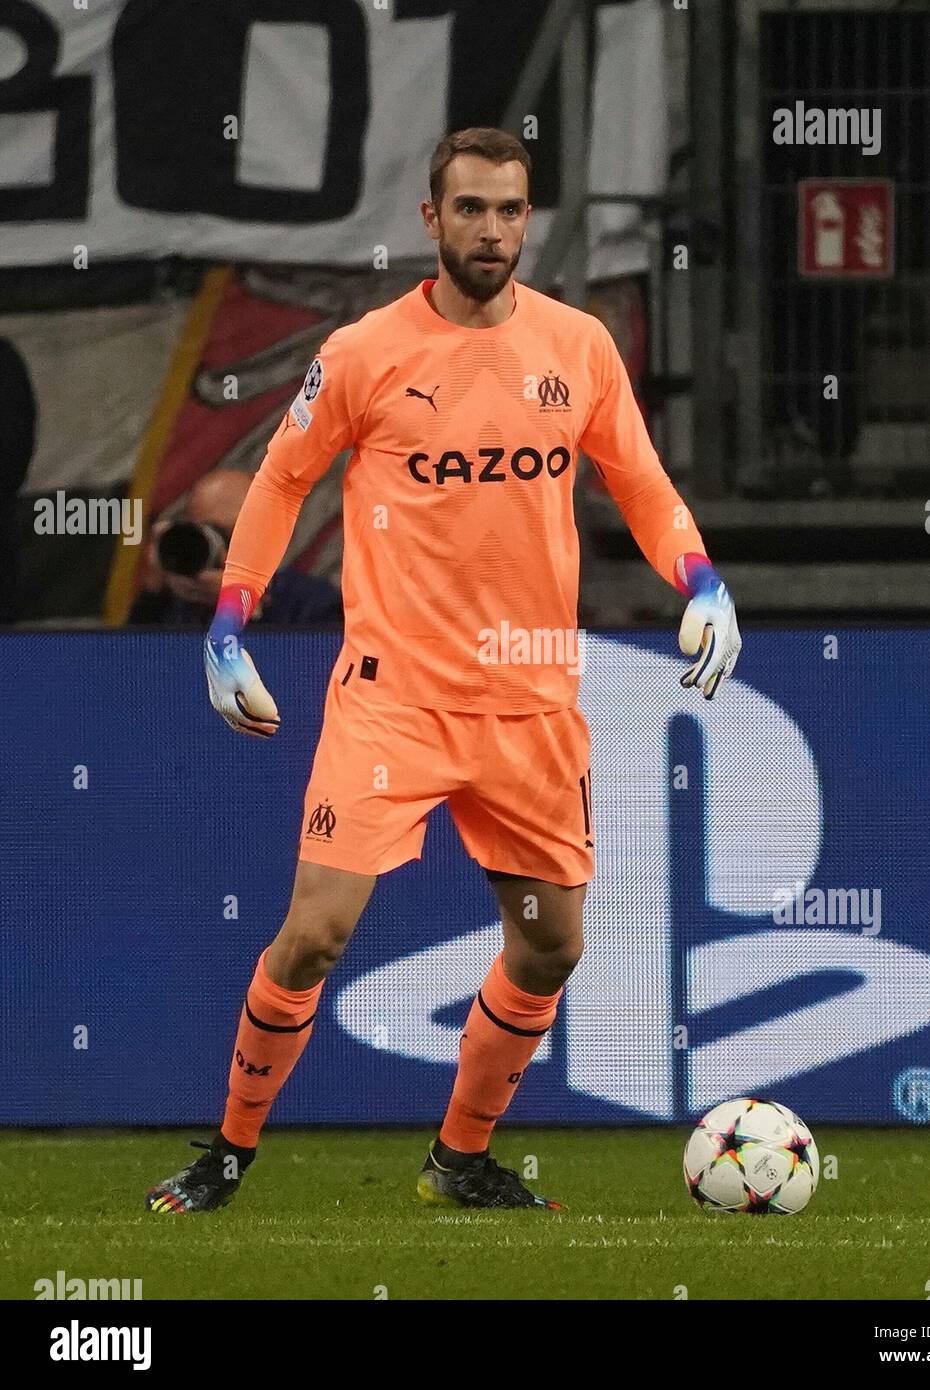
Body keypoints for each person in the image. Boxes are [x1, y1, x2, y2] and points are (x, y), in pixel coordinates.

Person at [146, 127, 741, 1215]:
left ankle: (456, 1159)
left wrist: (700, 580)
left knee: (550, 947)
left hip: (529, 706)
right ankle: (227, 1150)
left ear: (527, 219)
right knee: (314, 932)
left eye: (509, 211)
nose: (491, 230)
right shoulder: (366, 352)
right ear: (431, 220)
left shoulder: (577, 347)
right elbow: (279, 481)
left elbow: (642, 484)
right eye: (468, 209)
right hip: (394, 701)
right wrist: (229, 622)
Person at [128, 468, 342, 627]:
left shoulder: (311, 604)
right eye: (208, 531)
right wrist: (152, 591)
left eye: (234, 534)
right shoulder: (175, 602)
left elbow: (292, 675)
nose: (221, 548)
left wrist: (244, 608)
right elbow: (129, 669)